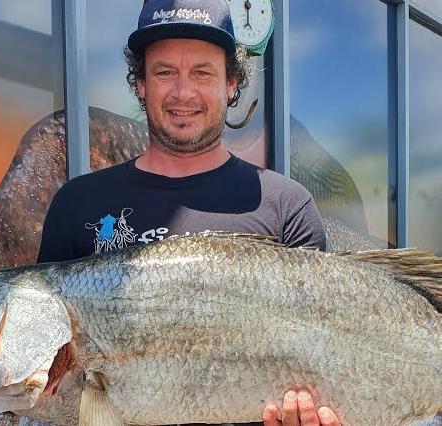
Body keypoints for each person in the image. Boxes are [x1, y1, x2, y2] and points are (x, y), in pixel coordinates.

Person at [38, 0, 339, 425]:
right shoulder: (77, 204)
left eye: (202, 72)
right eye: (164, 73)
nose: (183, 93)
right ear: (140, 83)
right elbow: (52, 374)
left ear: (231, 84)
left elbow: (326, 349)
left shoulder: (285, 206)